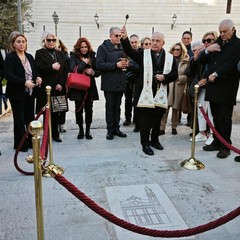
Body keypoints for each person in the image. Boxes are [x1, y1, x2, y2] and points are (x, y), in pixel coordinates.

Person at [121, 26, 178, 155]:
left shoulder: (170, 58)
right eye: (153, 40)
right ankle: (145, 144)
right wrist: (124, 38)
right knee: (145, 121)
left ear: (163, 43)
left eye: (158, 40)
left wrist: (165, 77)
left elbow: (175, 75)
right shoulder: (143, 54)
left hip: (161, 93)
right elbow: (130, 52)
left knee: (157, 120)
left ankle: (155, 141)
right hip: (145, 93)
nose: (155, 43)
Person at [198, 19, 240, 159]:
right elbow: (200, 61)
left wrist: (217, 74)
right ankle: (217, 141)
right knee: (215, 116)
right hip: (213, 87)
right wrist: (207, 50)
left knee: (224, 118)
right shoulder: (217, 43)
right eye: (220, 31)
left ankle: (225, 146)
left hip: (227, 87)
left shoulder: (238, 44)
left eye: (225, 32)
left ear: (233, 30)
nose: (222, 34)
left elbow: (232, 64)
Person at [4, 32, 42, 152]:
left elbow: (35, 71)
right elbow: (8, 75)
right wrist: (24, 82)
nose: (21, 44)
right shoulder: (11, 57)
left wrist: (38, 77)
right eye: (18, 42)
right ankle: (21, 144)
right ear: (13, 44)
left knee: (30, 118)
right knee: (19, 120)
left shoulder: (29, 56)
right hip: (17, 93)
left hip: (30, 93)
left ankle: (31, 141)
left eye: (23, 42)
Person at [35, 31, 68, 143]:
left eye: (53, 40)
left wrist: (61, 83)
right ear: (44, 41)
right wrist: (51, 67)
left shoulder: (60, 54)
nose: (51, 42)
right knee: (47, 113)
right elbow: (38, 69)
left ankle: (55, 134)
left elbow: (65, 70)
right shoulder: (39, 53)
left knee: (56, 112)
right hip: (46, 88)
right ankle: (47, 135)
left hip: (58, 87)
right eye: (48, 40)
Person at [96, 27, 128, 140]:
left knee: (118, 107)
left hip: (120, 83)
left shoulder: (122, 47)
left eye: (120, 36)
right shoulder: (102, 48)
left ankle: (116, 128)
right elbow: (98, 65)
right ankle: (110, 130)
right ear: (110, 35)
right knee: (110, 107)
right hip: (109, 84)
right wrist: (116, 65)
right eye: (116, 36)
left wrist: (127, 64)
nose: (118, 38)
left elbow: (129, 58)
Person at [189, 32, 218, 144]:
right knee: (200, 111)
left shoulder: (217, 54)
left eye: (209, 40)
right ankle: (202, 133)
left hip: (212, 87)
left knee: (211, 112)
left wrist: (207, 79)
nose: (206, 42)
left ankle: (212, 134)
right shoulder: (203, 55)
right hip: (201, 87)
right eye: (204, 40)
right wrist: (195, 59)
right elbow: (192, 71)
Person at [68, 37, 100, 140]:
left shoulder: (92, 56)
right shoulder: (73, 56)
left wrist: (93, 72)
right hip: (78, 87)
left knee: (89, 109)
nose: (84, 49)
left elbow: (98, 72)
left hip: (89, 87)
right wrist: (84, 63)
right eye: (82, 47)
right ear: (78, 48)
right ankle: (80, 130)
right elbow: (73, 69)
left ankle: (88, 130)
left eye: (86, 47)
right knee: (79, 109)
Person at [160, 42, 189, 135]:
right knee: (165, 107)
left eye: (178, 49)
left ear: (182, 51)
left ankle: (174, 126)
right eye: (174, 49)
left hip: (179, 86)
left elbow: (188, 76)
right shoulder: (166, 59)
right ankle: (161, 127)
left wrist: (180, 78)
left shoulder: (186, 61)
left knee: (176, 109)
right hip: (168, 85)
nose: (176, 51)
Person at [123, 34, 140, 129]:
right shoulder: (126, 52)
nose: (134, 44)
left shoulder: (140, 53)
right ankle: (127, 118)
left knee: (137, 100)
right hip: (128, 80)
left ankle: (136, 118)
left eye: (135, 42)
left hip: (137, 80)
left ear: (138, 43)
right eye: (132, 42)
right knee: (127, 100)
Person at [56, 38, 69, 133]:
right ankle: (56, 124)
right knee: (55, 105)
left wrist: (62, 83)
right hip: (54, 85)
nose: (58, 48)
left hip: (63, 84)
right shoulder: (51, 56)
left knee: (62, 105)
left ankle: (62, 123)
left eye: (59, 46)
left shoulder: (65, 57)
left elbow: (66, 71)